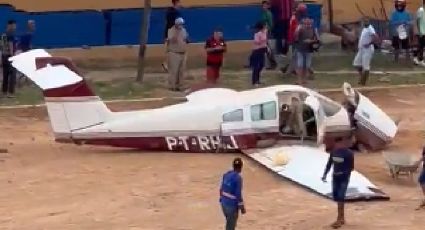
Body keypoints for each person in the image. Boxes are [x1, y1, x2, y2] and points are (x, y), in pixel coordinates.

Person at [321, 135, 355, 229]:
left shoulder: (348, 154)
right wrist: (325, 174)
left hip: (344, 178)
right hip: (335, 177)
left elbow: (351, 168)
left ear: (341, 143)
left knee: (341, 197)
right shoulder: (334, 152)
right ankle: (341, 217)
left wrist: (343, 172)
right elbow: (329, 164)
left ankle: (339, 219)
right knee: (337, 197)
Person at [219, 157, 246, 230]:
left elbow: (221, 189)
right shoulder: (238, 178)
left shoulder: (226, 174)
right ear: (241, 167)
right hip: (231, 207)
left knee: (229, 223)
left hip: (223, 205)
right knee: (230, 227)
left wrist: (222, 200)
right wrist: (242, 207)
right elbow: (238, 195)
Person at [353, 17, 379, 86]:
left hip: (368, 50)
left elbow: (376, 36)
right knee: (356, 64)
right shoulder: (365, 28)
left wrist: (369, 43)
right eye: (364, 21)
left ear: (369, 22)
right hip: (361, 49)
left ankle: (363, 82)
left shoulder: (370, 28)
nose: (365, 22)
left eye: (366, 21)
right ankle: (362, 77)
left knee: (366, 66)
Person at [167, 17, 189, 91]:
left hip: (183, 52)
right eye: (180, 24)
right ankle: (172, 86)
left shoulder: (184, 30)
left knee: (182, 71)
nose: (181, 26)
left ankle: (180, 86)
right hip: (174, 53)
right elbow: (172, 40)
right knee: (174, 71)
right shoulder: (171, 30)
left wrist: (186, 40)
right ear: (176, 24)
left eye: (182, 24)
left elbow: (186, 38)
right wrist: (177, 32)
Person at [294, 18, 317, 85]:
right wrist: (297, 30)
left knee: (307, 66)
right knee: (300, 65)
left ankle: (304, 79)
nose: (308, 25)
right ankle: (299, 80)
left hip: (309, 49)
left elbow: (317, 40)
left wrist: (311, 41)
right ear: (304, 24)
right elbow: (295, 38)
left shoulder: (313, 30)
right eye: (306, 24)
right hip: (301, 49)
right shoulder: (300, 29)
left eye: (309, 24)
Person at [163, 0, 182, 72]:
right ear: (176, 3)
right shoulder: (176, 13)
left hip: (168, 32)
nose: (180, 4)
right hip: (174, 32)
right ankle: (169, 64)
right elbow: (177, 24)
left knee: (169, 49)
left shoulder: (168, 12)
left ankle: (167, 64)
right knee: (174, 50)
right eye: (179, 3)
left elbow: (167, 23)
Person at [0, 20, 18, 98]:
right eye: (14, 25)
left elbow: (1, 47)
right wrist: (12, 56)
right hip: (9, 56)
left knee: (5, 75)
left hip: (4, 56)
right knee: (13, 74)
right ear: (10, 25)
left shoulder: (3, 34)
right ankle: (10, 93)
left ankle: (4, 92)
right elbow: (11, 46)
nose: (15, 27)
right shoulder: (10, 34)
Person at [250, 21, 268, 87]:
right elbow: (257, 42)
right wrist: (262, 41)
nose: (266, 26)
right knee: (256, 66)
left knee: (261, 65)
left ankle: (258, 79)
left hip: (263, 50)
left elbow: (266, 39)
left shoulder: (265, 32)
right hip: (257, 50)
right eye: (265, 25)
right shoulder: (257, 34)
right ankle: (254, 81)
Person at [261, 0, 277, 69]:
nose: (264, 7)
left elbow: (271, 24)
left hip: (266, 32)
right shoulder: (263, 13)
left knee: (267, 48)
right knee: (266, 47)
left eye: (265, 5)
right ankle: (271, 63)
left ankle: (273, 63)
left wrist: (268, 30)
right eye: (263, 5)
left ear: (268, 6)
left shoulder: (268, 13)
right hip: (263, 31)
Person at [414, 1, 425, 66]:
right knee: (420, 46)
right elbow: (417, 21)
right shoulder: (421, 10)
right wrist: (419, 31)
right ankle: (417, 59)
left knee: (422, 46)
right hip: (421, 32)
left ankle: (419, 59)